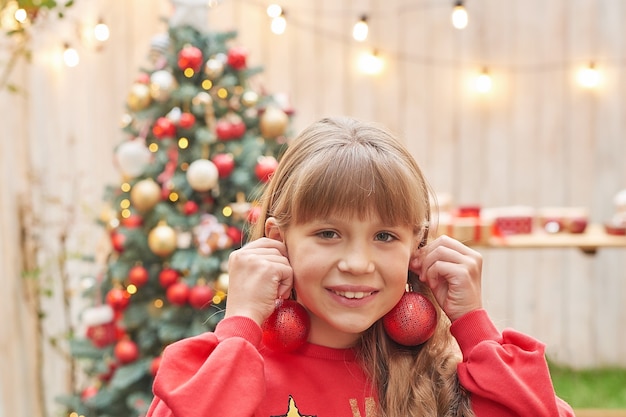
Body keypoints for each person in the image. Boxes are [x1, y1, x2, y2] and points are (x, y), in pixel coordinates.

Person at [146, 116, 574, 417]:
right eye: (328, 233)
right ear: (278, 241)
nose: (356, 263)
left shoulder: (445, 372)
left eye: (385, 236)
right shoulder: (233, 370)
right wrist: (240, 325)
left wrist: (476, 330)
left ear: (416, 248)